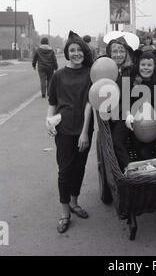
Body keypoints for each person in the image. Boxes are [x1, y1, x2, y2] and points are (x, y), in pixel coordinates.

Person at [46, 30, 94, 234]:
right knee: (65, 171)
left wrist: (84, 132)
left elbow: (90, 104)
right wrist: (48, 121)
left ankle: (74, 203)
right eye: (72, 50)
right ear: (67, 53)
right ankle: (65, 212)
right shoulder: (58, 75)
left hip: (84, 129)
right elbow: (53, 103)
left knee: (80, 167)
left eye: (79, 49)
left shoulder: (91, 73)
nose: (76, 53)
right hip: (64, 129)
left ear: (84, 51)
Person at [103, 33, 138, 172]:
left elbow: (133, 95)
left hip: (128, 113)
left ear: (126, 53)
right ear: (110, 54)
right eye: (115, 51)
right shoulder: (104, 70)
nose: (118, 54)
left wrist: (129, 112)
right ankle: (124, 168)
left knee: (118, 141)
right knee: (113, 141)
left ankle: (131, 169)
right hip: (111, 113)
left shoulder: (131, 71)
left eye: (121, 51)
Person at [125, 50, 156, 160]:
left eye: (149, 65)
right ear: (138, 65)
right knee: (141, 151)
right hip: (136, 125)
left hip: (152, 125)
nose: (146, 68)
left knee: (154, 150)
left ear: (154, 67)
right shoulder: (132, 81)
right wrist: (128, 114)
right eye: (143, 64)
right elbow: (126, 101)